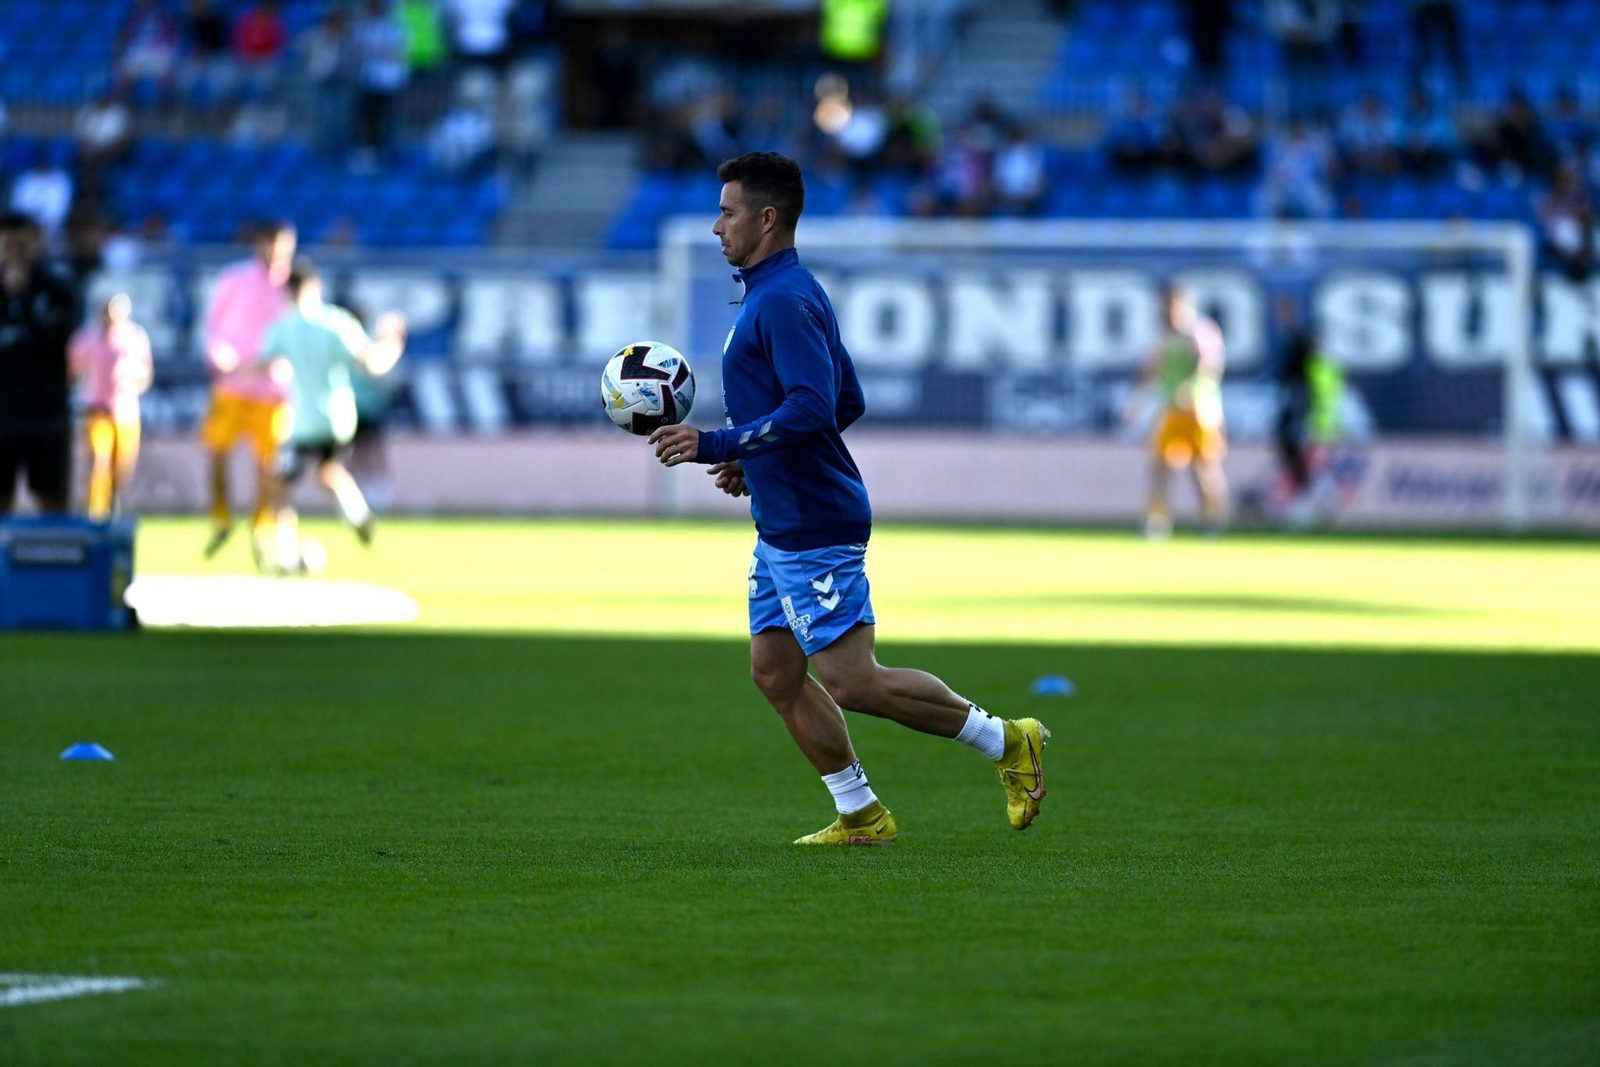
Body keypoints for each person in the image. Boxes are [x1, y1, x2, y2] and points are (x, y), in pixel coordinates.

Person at [645, 152, 1049, 847]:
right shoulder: (786, 291)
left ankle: (1009, 741)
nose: (716, 227)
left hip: (815, 521)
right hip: (783, 521)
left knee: (853, 681)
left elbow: (813, 406)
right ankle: (861, 813)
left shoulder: (782, 300)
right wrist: (754, 459)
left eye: (728, 212)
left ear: (767, 219)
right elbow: (846, 399)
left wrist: (717, 444)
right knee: (776, 672)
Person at [260, 259, 405, 570]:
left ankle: (286, 551)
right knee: (329, 470)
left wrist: (227, 366)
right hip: (338, 419)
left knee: (281, 484)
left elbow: (260, 364)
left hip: (302, 421)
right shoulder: (336, 322)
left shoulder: (283, 327)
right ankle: (358, 513)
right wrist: (393, 342)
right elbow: (373, 364)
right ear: (316, 287)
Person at [200, 219, 296, 565]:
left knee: (269, 467)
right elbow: (212, 327)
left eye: (281, 243)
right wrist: (218, 354)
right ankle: (222, 518)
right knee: (217, 454)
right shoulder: (235, 278)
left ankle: (262, 530)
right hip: (233, 386)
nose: (275, 250)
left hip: (272, 390)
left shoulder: (294, 285)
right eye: (270, 242)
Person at [1124, 284, 1229, 538]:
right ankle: (1156, 522)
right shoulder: (1163, 338)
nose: (1170, 312)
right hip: (1171, 409)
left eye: (1173, 306)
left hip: (1201, 410)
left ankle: (1212, 521)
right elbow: (1151, 370)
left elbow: (1210, 367)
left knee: (1204, 468)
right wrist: (1136, 400)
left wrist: (1191, 386)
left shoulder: (1201, 332)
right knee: (1160, 465)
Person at [0, 214, 79, 516]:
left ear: (35, 244)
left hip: (47, 417)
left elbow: (60, 339)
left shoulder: (57, 289)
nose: (13, 252)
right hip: (3, 415)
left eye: (20, 244)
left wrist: (22, 306)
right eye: (7, 244)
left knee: (53, 505)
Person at [69, 293, 154, 520]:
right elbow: (74, 371)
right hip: (97, 410)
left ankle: (113, 508)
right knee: (99, 461)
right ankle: (95, 513)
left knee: (122, 466)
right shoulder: (87, 339)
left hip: (126, 412)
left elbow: (146, 374)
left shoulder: (134, 338)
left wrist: (132, 382)